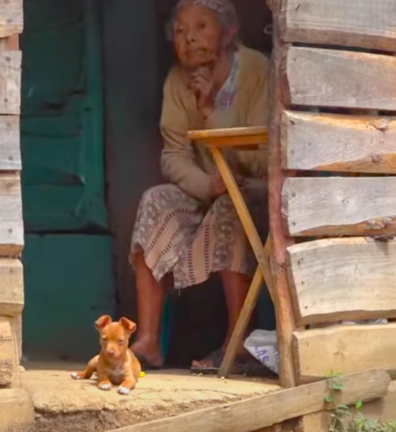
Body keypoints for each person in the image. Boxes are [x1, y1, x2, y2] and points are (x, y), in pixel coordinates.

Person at [129, 0, 270, 371]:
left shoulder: (256, 70)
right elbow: (174, 155)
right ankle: (148, 341)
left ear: (229, 31)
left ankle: (236, 343)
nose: (189, 38)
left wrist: (210, 112)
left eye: (201, 26)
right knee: (155, 199)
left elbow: (263, 156)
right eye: (180, 30)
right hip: (211, 187)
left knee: (231, 206)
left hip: (256, 187)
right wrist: (207, 184)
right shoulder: (178, 80)